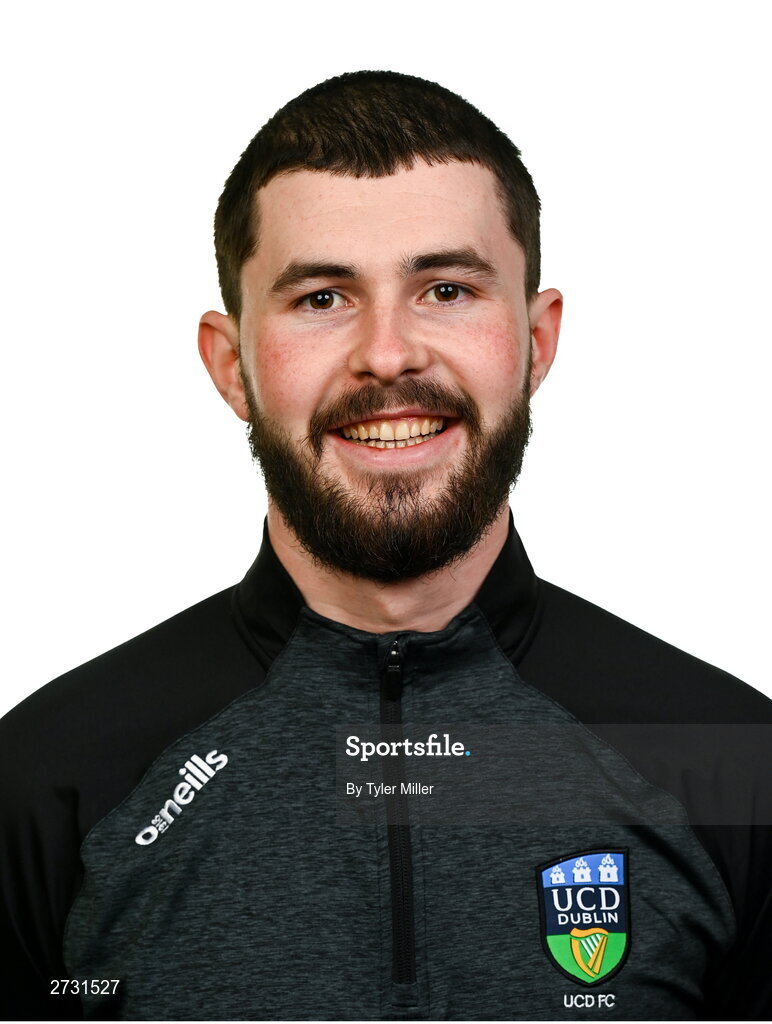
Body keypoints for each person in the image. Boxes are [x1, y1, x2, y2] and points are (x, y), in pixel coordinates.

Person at [1, 70, 769, 1022]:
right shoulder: (49, 778)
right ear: (231, 364)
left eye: (446, 288)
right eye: (322, 298)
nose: (390, 353)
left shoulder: (731, 759)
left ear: (535, 342)